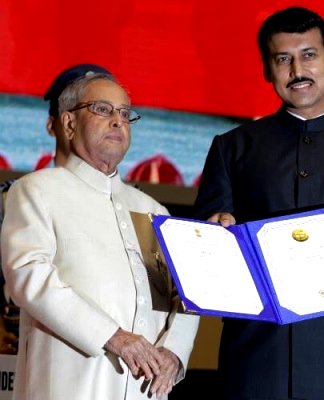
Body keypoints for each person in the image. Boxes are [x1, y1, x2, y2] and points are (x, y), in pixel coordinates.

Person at [193, 6, 324, 400]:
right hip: (254, 356)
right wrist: (214, 234)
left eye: (309, 55)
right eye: (283, 59)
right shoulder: (234, 148)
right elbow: (205, 250)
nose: (298, 70)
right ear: (266, 70)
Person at [1, 72, 199, 399]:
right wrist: (114, 337)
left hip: (146, 386)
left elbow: (182, 294)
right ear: (68, 123)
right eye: (103, 110)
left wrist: (174, 353)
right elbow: (29, 277)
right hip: (71, 381)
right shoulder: (37, 190)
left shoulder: (152, 210)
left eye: (125, 113)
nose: (118, 121)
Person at [0, 64, 112, 354]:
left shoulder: (131, 208)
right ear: (57, 123)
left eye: (110, 110)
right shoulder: (13, 195)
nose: (104, 120)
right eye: (94, 109)